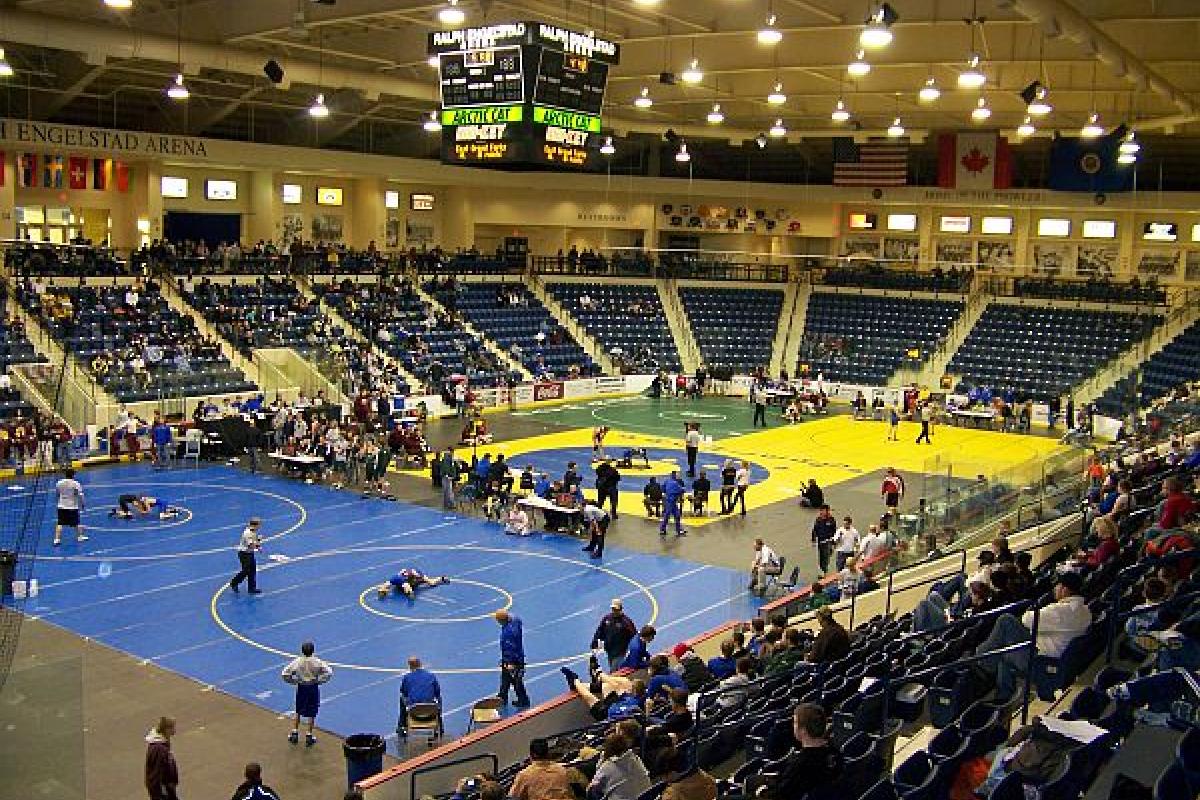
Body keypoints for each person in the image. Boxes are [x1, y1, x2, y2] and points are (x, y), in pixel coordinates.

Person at [974, 571, 1092, 697]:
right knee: (1006, 627)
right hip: (1053, 653)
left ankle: (982, 662)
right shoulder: (1085, 611)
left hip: (1042, 659)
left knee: (1005, 624)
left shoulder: (1059, 611)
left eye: (1057, 585)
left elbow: (1027, 619)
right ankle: (988, 668)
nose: (1055, 589)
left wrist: (1038, 610)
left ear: (1065, 590)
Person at [741, 705, 842, 800]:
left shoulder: (801, 763)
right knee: (751, 780)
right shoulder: (835, 752)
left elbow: (780, 794)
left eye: (795, 722)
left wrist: (761, 791)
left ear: (803, 730)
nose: (793, 725)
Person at [281, 640, 333, 746]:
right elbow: (329, 672)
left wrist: (294, 681)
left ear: (302, 651)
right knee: (312, 711)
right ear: (313, 651)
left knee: (298, 710)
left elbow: (285, 673)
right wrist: (320, 681)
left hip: (302, 687)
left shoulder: (297, 662)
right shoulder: (317, 662)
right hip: (313, 687)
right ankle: (309, 734)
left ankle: (295, 732)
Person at [509, 738, 587, 800]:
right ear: (548, 753)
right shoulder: (564, 769)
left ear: (531, 755)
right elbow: (584, 784)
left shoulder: (523, 776)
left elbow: (512, 796)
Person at [589, 732, 652, 800]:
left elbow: (592, 788)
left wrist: (602, 761)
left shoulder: (607, 766)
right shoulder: (636, 758)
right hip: (647, 796)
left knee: (592, 791)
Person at [397, 656, 442, 738]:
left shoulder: (407, 678)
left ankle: (402, 726)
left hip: (414, 712)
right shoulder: (431, 676)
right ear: (421, 664)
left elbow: (403, 693)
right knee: (439, 698)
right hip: (430, 711)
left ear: (410, 666)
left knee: (402, 698)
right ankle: (440, 722)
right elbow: (437, 693)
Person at [495, 610, 531, 707]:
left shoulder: (507, 633)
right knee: (505, 678)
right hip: (518, 655)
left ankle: (523, 700)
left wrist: (509, 663)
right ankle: (502, 696)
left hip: (513, 660)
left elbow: (510, 649)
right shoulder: (515, 620)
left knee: (516, 681)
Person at [592, 599, 638, 671]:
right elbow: (599, 631)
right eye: (613, 609)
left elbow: (634, 635)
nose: (614, 611)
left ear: (620, 609)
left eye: (616, 609)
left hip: (621, 652)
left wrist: (633, 650)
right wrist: (594, 643)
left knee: (615, 671)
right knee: (614, 668)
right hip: (610, 651)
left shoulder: (626, 622)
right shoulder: (607, 619)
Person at [144, 716, 180, 800]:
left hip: (167, 788)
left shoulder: (163, 743)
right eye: (173, 727)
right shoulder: (159, 750)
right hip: (164, 791)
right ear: (166, 729)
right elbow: (155, 774)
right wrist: (160, 795)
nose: (174, 730)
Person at [52, 467, 87, 546]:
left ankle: (57, 539)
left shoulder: (59, 483)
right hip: (72, 506)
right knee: (76, 522)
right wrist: (83, 504)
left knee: (60, 523)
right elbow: (80, 495)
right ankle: (80, 536)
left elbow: (57, 493)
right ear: (73, 475)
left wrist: (58, 501)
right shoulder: (76, 484)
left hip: (61, 506)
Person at [229, 517, 263, 594]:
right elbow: (251, 545)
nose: (260, 526)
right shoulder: (248, 533)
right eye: (259, 525)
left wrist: (258, 546)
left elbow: (253, 544)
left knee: (252, 570)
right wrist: (258, 541)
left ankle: (252, 588)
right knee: (246, 571)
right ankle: (234, 582)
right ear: (255, 525)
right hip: (244, 554)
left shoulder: (253, 531)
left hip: (249, 553)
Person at [380, 567, 449, 599]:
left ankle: (442, 578)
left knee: (432, 583)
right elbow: (388, 583)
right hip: (402, 581)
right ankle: (409, 592)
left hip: (409, 581)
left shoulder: (418, 577)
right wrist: (383, 590)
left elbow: (429, 581)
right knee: (405, 585)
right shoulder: (398, 578)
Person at [110, 493, 181, 520]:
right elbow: (139, 507)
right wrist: (142, 510)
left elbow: (149, 510)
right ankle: (174, 510)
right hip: (162, 504)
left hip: (162, 504)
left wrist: (144, 511)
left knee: (162, 516)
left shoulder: (146, 501)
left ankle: (174, 514)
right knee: (164, 512)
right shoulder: (141, 501)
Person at [811, 505, 837, 574]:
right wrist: (813, 540)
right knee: (821, 556)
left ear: (827, 511)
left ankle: (824, 570)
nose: (821, 512)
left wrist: (834, 543)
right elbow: (815, 530)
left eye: (823, 510)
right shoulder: (818, 519)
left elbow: (834, 531)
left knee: (826, 557)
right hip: (820, 541)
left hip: (828, 541)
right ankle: (822, 569)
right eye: (821, 510)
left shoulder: (831, 520)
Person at [659, 470, 686, 537]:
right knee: (669, 515)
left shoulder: (667, 481)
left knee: (675, 515)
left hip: (669, 500)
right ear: (675, 476)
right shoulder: (675, 483)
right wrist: (683, 489)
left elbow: (662, 489)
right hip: (671, 501)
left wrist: (667, 493)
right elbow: (681, 490)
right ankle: (664, 529)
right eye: (677, 475)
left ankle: (677, 529)